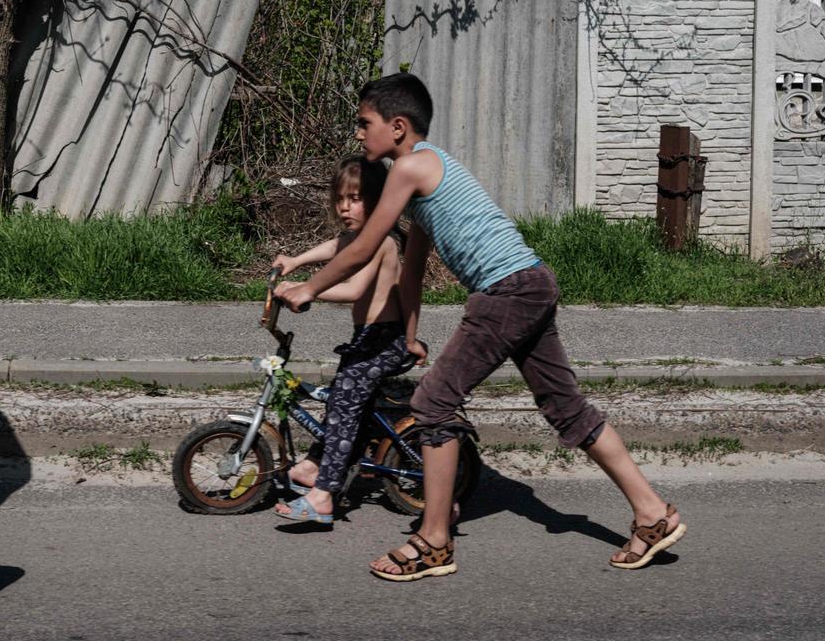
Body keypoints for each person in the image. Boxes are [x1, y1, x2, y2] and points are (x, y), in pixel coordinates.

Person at [275, 72, 686, 579]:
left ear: (398, 127)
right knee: (565, 407)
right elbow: (414, 267)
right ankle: (652, 515)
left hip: (507, 292)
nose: (359, 134)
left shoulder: (409, 169)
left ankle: (432, 541)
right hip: (532, 282)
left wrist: (308, 288)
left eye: (365, 123)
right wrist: (408, 333)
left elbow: (361, 248)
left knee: (432, 404)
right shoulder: (432, 169)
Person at [271, 156, 405, 524]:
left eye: (356, 198)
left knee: (344, 405)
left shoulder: (383, 243)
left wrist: (306, 290)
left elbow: (353, 289)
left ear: (377, 202)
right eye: (340, 199)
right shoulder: (359, 237)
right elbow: (335, 247)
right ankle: (315, 464)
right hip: (365, 338)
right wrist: (295, 261)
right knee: (341, 403)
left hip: (383, 340)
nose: (345, 207)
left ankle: (324, 495)